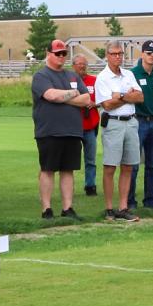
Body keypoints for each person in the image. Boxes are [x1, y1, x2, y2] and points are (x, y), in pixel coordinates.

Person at [30, 38, 92, 220]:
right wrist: (73, 94)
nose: (61, 56)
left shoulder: (72, 76)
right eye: (57, 53)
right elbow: (50, 95)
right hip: (50, 131)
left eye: (64, 53)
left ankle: (67, 208)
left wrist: (64, 96)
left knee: (68, 170)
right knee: (48, 170)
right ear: (48, 54)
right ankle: (47, 209)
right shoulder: (41, 76)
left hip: (72, 131)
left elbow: (87, 99)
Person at [93, 41, 142, 220]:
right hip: (113, 123)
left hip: (131, 122)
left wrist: (119, 96)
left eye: (120, 53)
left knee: (128, 166)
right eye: (114, 54)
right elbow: (107, 104)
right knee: (110, 166)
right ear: (107, 55)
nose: (118, 57)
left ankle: (123, 207)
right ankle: (108, 208)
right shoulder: (103, 77)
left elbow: (140, 96)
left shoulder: (128, 74)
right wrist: (127, 96)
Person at [129, 40, 153, 212]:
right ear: (142, 54)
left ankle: (151, 200)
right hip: (138, 121)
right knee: (134, 163)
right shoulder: (133, 74)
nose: (152, 56)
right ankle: (130, 201)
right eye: (149, 53)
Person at [70, 47, 100, 195]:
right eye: (79, 64)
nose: (82, 66)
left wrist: (95, 103)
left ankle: (90, 185)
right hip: (73, 126)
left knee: (90, 158)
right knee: (71, 160)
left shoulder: (94, 81)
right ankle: (69, 188)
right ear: (73, 66)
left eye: (84, 64)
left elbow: (103, 98)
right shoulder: (68, 81)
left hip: (91, 124)